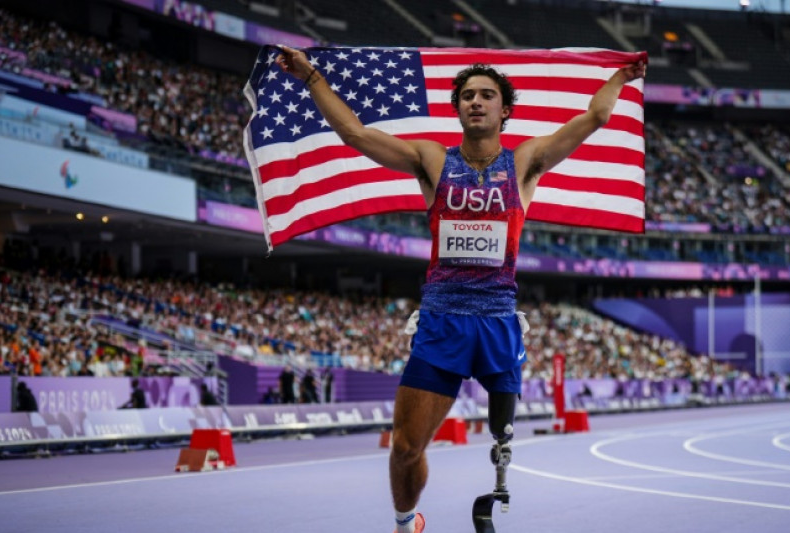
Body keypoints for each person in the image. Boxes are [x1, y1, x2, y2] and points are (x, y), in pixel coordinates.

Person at [275, 45, 646, 533]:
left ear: (503, 110)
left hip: (496, 321)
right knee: (406, 448)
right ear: (458, 108)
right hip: (442, 319)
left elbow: (596, 116)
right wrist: (311, 77)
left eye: (487, 95)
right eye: (467, 95)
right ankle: (407, 522)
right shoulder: (432, 159)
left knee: (502, 447)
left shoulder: (525, 162)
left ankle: (495, 492)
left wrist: (622, 76)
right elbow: (355, 133)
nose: (476, 101)